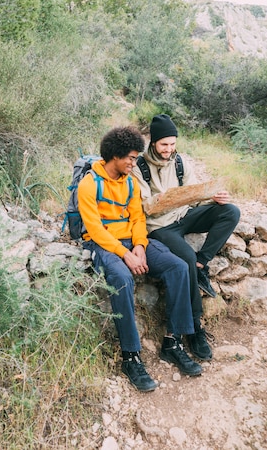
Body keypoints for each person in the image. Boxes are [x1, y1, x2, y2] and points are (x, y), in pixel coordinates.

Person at [78, 126, 202, 393]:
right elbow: (96, 230)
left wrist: (140, 247)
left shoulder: (131, 182)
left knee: (178, 266)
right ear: (115, 157)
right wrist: (124, 254)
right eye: (131, 158)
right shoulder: (89, 184)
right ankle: (131, 356)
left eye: (136, 158)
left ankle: (173, 342)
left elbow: (137, 218)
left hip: (133, 243)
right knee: (122, 277)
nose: (134, 163)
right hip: (104, 245)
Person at [132, 114, 241, 362]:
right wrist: (170, 198)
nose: (169, 150)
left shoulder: (180, 162)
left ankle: (202, 263)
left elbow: (194, 193)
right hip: (160, 226)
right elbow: (145, 207)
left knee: (230, 211)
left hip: (186, 215)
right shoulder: (139, 167)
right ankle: (195, 328)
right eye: (164, 145)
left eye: (172, 144)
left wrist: (213, 197)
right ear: (153, 142)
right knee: (185, 260)